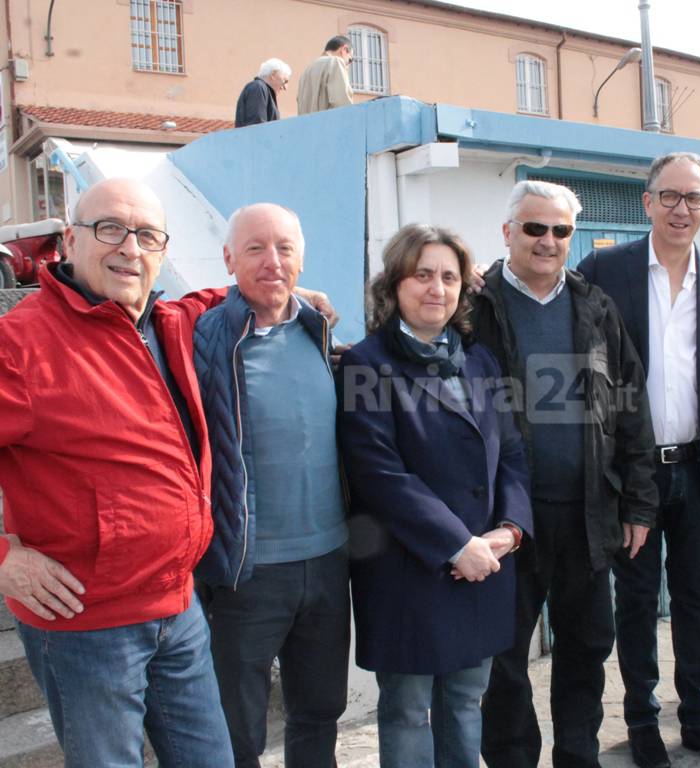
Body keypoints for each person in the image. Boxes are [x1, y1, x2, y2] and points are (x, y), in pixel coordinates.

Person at [0, 178, 235, 767]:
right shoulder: (19, 343)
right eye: (110, 229)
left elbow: (216, 298)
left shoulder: (169, 323)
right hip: (86, 625)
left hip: (179, 611)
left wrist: (285, 286)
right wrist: (5, 556)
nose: (130, 248)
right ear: (71, 241)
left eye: (148, 235)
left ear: (162, 252)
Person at [576, 152, 700, 768]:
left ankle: (699, 720)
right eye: (671, 196)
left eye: (695, 199)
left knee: (696, 600)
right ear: (646, 201)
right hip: (634, 473)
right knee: (638, 601)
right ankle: (642, 721)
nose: (683, 209)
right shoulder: (605, 269)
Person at [477, 180, 659, 768]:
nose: (548, 241)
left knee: (586, 647)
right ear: (508, 233)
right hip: (504, 518)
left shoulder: (594, 306)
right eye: (534, 228)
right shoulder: (472, 307)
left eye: (560, 231)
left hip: (587, 512)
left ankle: (577, 756)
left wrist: (638, 503)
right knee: (502, 658)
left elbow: (631, 406)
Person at [339, 223, 532, 768]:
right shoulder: (367, 364)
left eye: (448, 276)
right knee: (406, 710)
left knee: (467, 704)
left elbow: (513, 455)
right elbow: (380, 474)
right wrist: (457, 544)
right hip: (410, 573)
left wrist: (509, 531)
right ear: (395, 284)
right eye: (422, 274)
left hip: (486, 568)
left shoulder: (480, 362)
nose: (436, 288)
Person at [193, 203, 350, 768]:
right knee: (239, 732)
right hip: (246, 572)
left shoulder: (319, 329)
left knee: (319, 712)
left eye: (284, 248)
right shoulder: (204, 337)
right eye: (255, 248)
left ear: (302, 259)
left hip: (329, 561)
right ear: (229, 257)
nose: (272, 261)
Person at [297, 35, 354, 115]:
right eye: (350, 60)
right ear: (344, 50)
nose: (348, 66)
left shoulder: (305, 72)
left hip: (306, 126)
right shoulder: (335, 61)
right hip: (328, 125)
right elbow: (342, 103)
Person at [234, 58, 291, 128]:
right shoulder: (258, 87)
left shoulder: (262, 90)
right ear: (273, 75)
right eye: (285, 81)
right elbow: (257, 128)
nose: (285, 88)